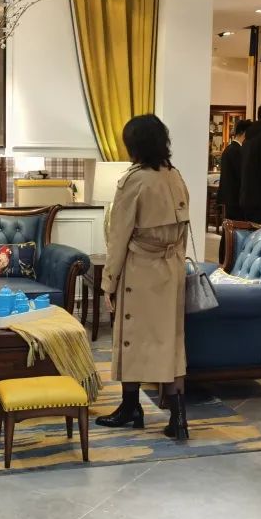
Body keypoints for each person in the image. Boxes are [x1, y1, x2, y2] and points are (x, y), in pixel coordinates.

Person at [96, 114, 191, 441]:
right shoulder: (175, 176)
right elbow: (183, 230)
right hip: (172, 270)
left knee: (130, 337)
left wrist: (109, 282)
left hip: (140, 269)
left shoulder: (133, 181)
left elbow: (119, 237)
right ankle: (179, 417)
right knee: (171, 342)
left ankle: (130, 407)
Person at [216, 117, 251, 264]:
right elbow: (241, 176)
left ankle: (224, 257)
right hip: (235, 197)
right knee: (233, 229)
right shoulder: (237, 151)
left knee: (228, 228)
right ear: (244, 133)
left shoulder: (230, 149)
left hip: (229, 196)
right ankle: (228, 258)